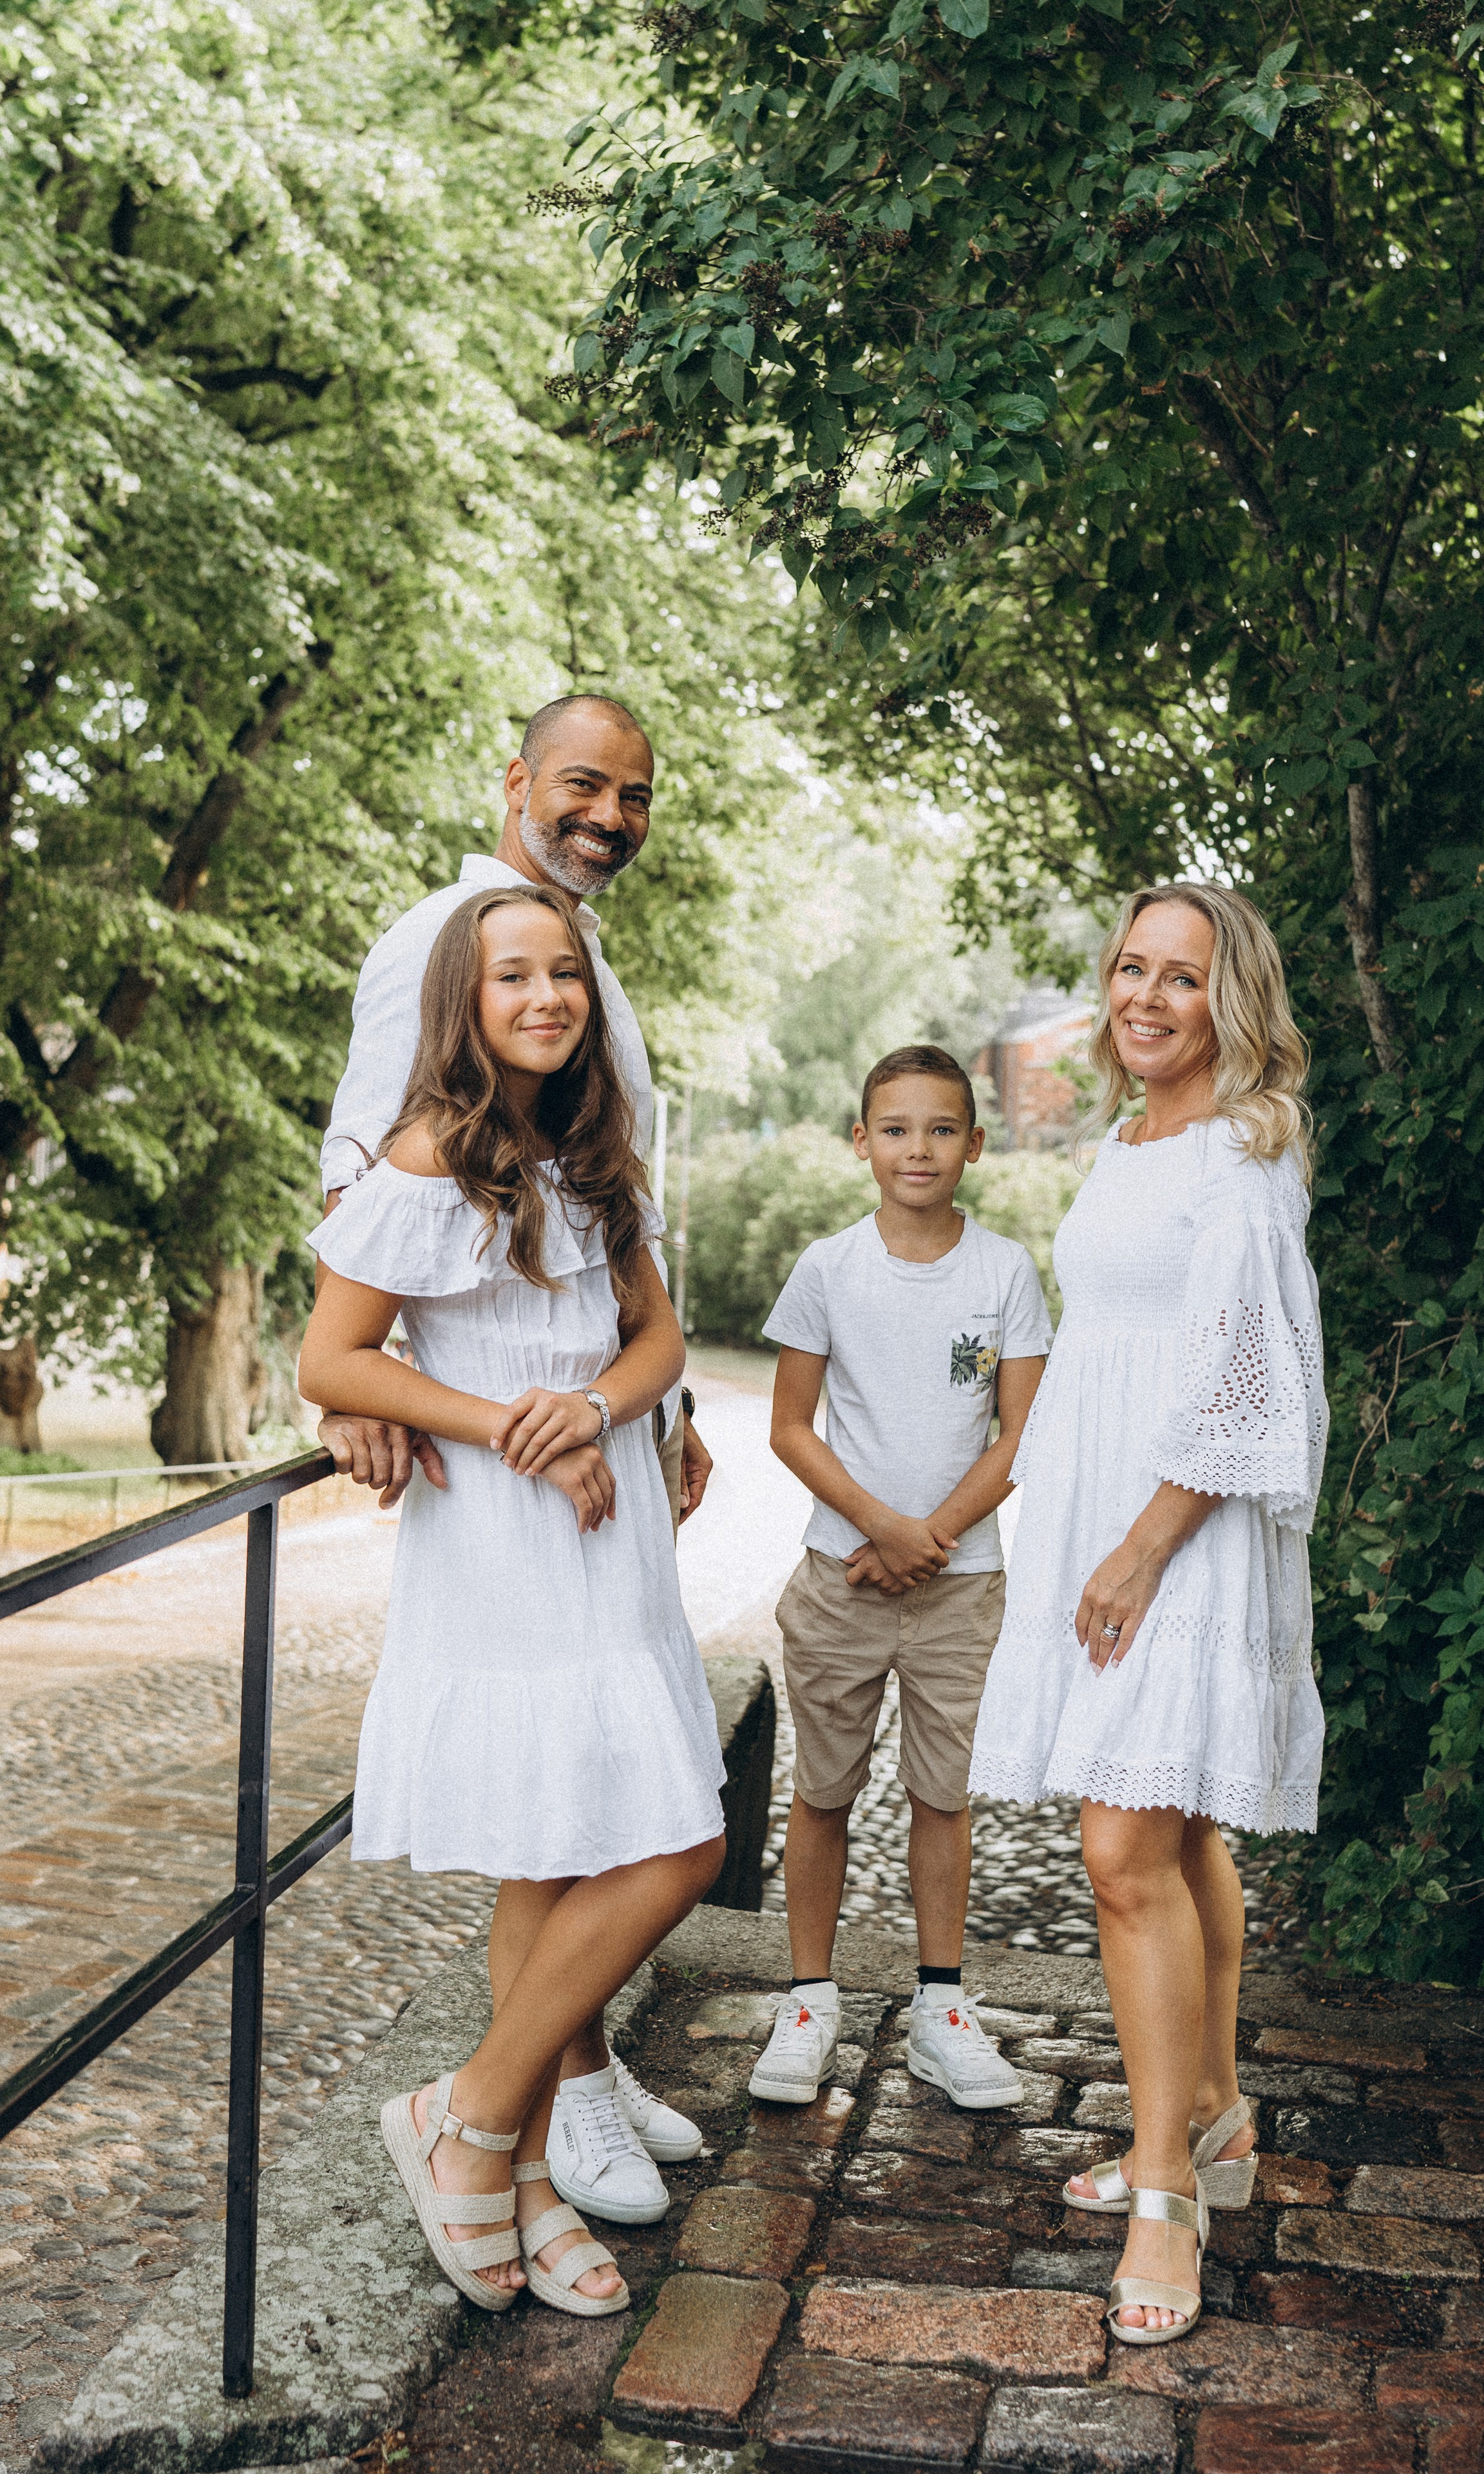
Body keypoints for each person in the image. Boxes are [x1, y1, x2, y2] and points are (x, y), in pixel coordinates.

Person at [299, 882, 727, 2315]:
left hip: (611, 1535)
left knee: (586, 1853)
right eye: (511, 978)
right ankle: (493, 2140)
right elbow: (335, 1361)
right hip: (497, 1536)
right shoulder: (429, 1157)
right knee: (649, 1845)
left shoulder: (591, 1152)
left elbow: (658, 1336)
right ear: (464, 1005)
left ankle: (493, 2142)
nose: (546, 996)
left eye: (564, 975)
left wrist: (594, 1408)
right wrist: (513, 1430)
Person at [968, 884, 1327, 2348]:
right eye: (1129, 970)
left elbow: (1252, 1385)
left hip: (1172, 1527)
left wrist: (1135, 1548)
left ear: (1226, 1001)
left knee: (1120, 1848)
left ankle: (1163, 2186)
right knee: (1175, 1833)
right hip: (1106, 1516)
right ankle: (1219, 2119)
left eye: (1180, 978)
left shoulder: (1240, 1157)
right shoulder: (1127, 1138)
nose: (1145, 997)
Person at [317, 691, 712, 1528]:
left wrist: (673, 1411)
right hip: (511, 1449)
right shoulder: (437, 940)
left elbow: (603, 1220)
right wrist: (358, 1383)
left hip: (619, 1417)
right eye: (584, 784)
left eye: (634, 797)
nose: (610, 815)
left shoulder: (579, 955)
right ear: (518, 782)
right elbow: (359, 1170)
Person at [748, 1046, 1051, 2110]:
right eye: (895, 1129)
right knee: (823, 1793)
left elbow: (1021, 1434)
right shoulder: (829, 1269)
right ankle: (808, 1999)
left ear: (974, 1143)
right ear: (861, 1142)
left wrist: (932, 1537)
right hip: (843, 1580)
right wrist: (880, 1526)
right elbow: (791, 1426)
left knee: (943, 1797)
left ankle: (941, 2006)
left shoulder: (1006, 1271)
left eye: (940, 1129)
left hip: (961, 1589)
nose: (916, 1149)